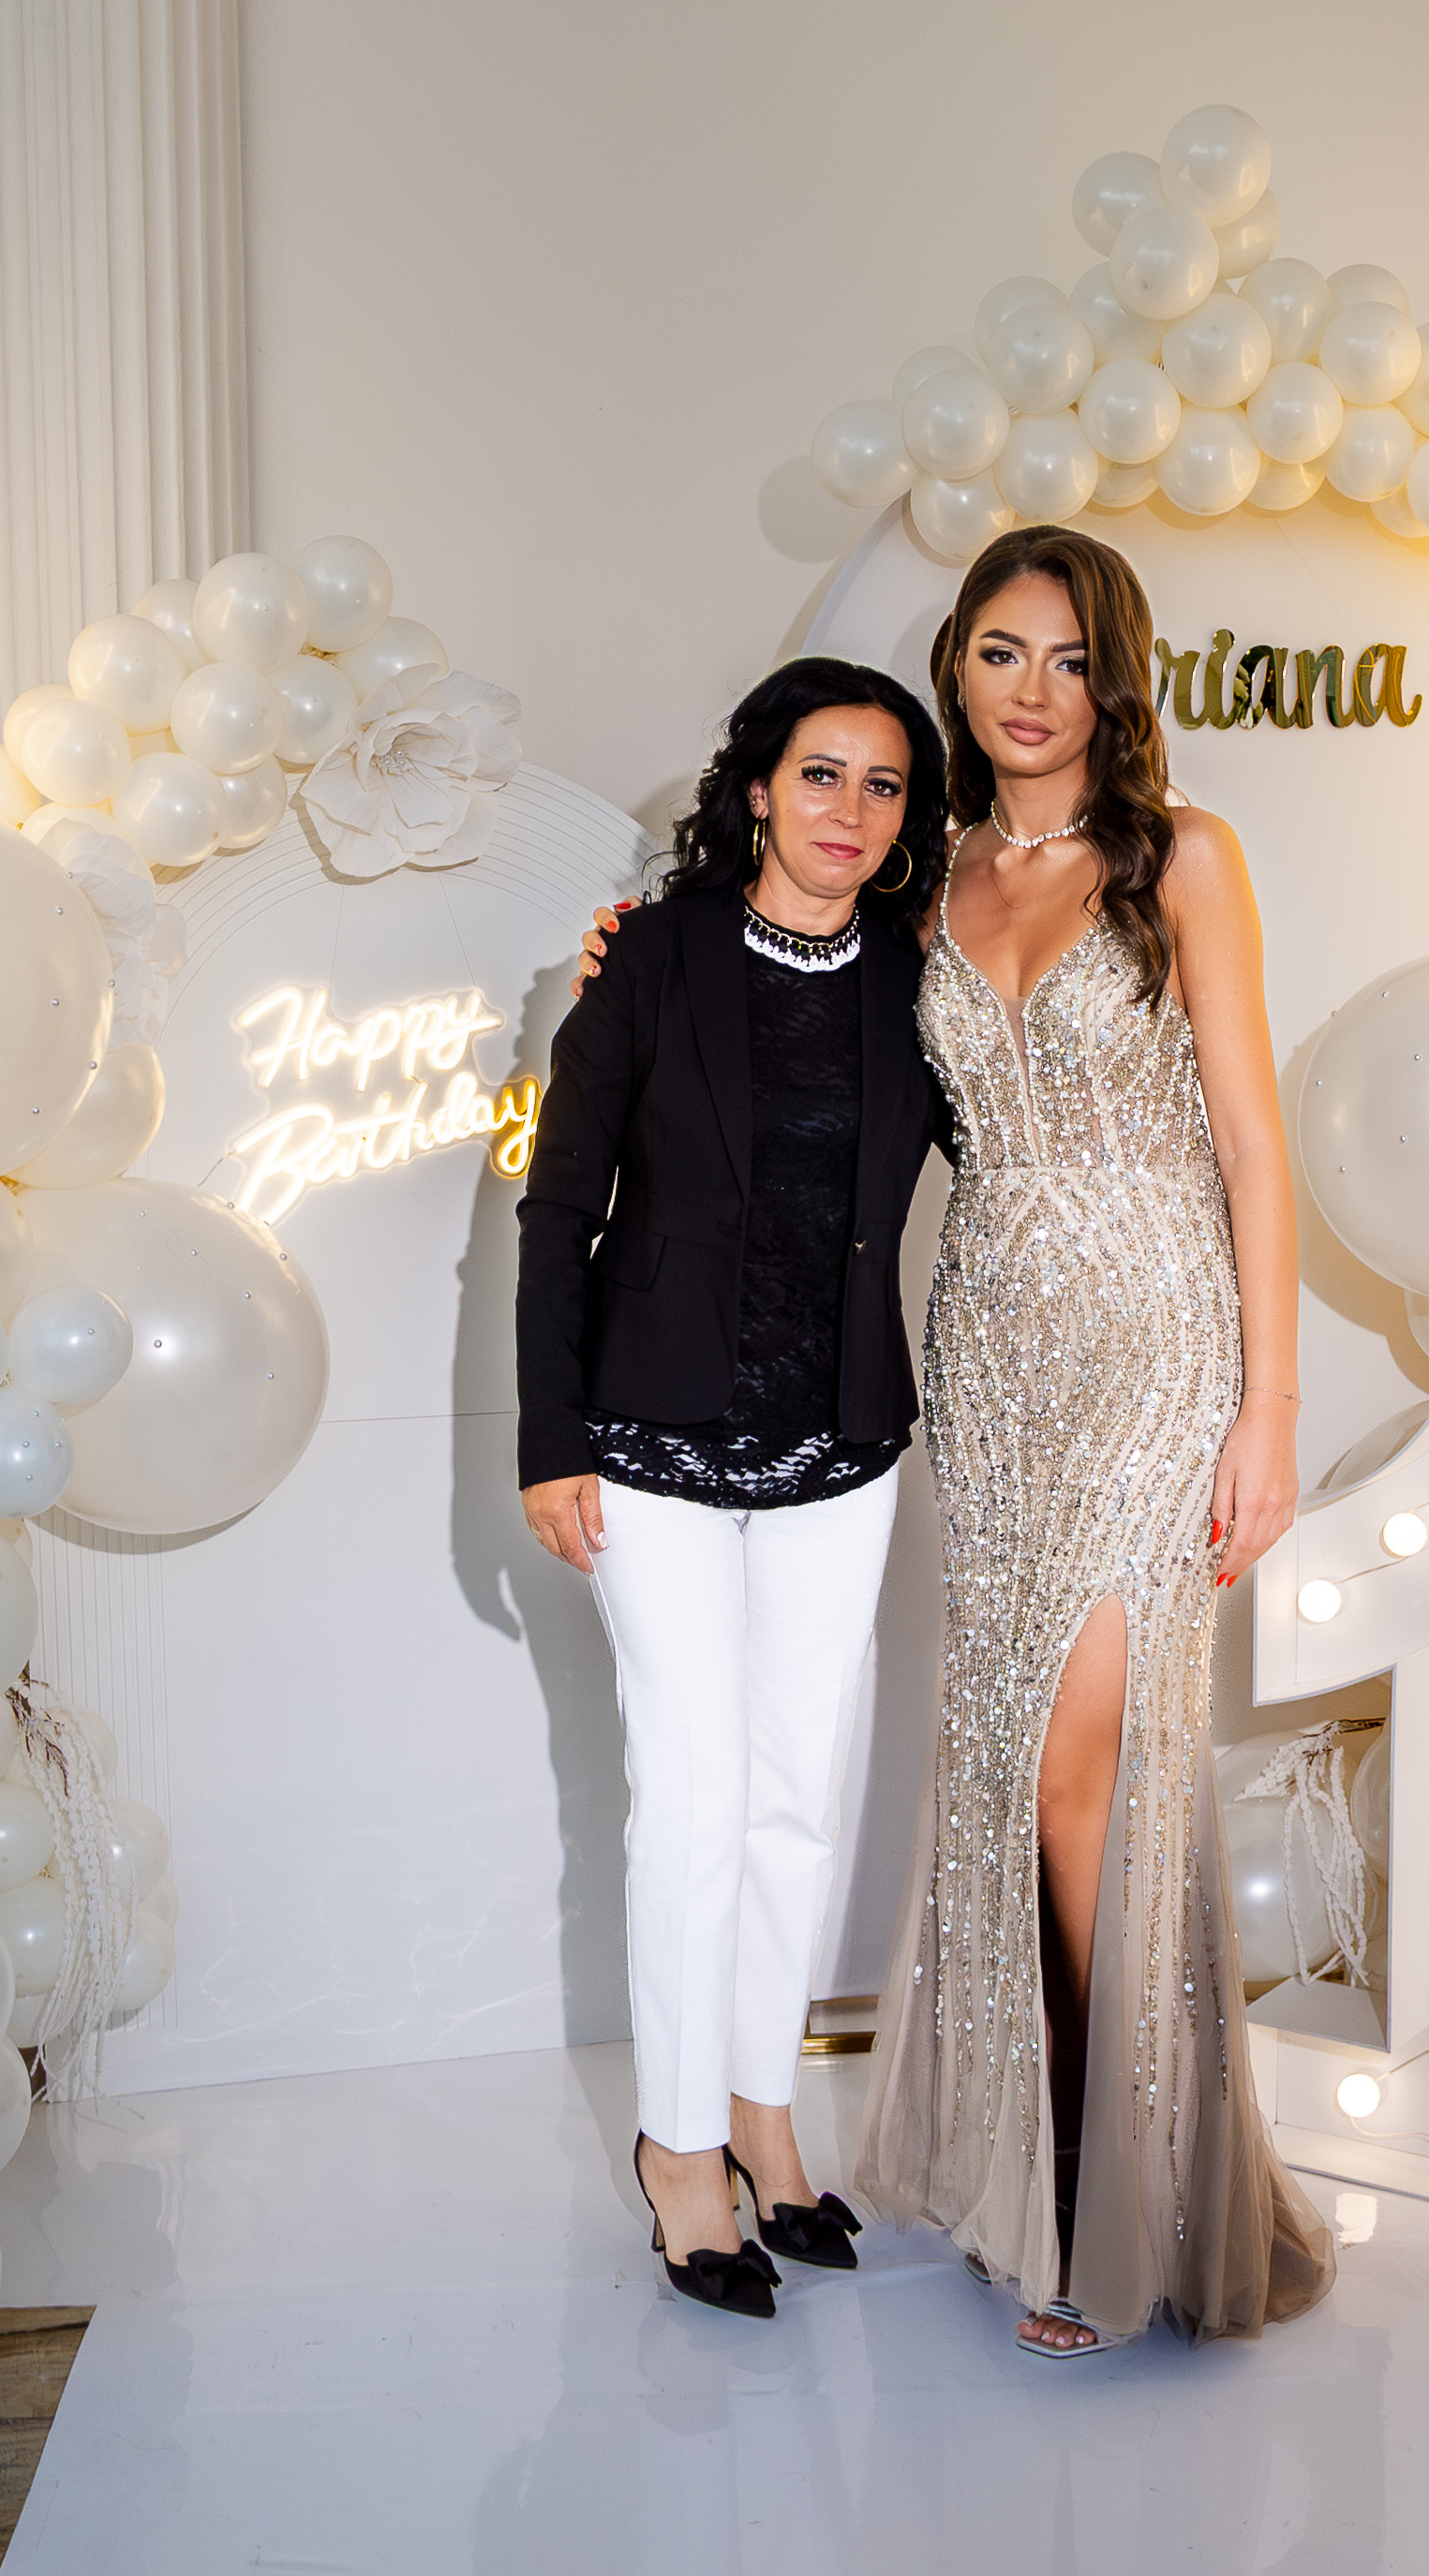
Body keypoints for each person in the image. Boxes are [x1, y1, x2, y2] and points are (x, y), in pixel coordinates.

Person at [862, 526, 1332, 2354]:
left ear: (1114, 680)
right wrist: (624, 953)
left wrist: (1267, 1407)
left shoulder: (1183, 858)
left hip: (1156, 1347)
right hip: (988, 1361)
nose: (1031, 690)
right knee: (1004, 1764)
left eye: (1068, 658)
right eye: (1000, 651)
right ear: (957, 666)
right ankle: (1036, 2171)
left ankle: (1107, 2193)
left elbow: (1252, 1145)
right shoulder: (928, 873)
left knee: (1095, 1766)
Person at [515, 658, 950, 2318]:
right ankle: (679, 2145)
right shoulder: (651, 955)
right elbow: (559, 1208)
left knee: (796, 1797)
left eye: (884, 784)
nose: (851, 808)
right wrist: (550, 1434)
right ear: (758, 787)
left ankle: (765, 2109)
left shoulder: (916, 981)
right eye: (820, 772)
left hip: (840, 1441)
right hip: (651, 1443)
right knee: (691, 1795)